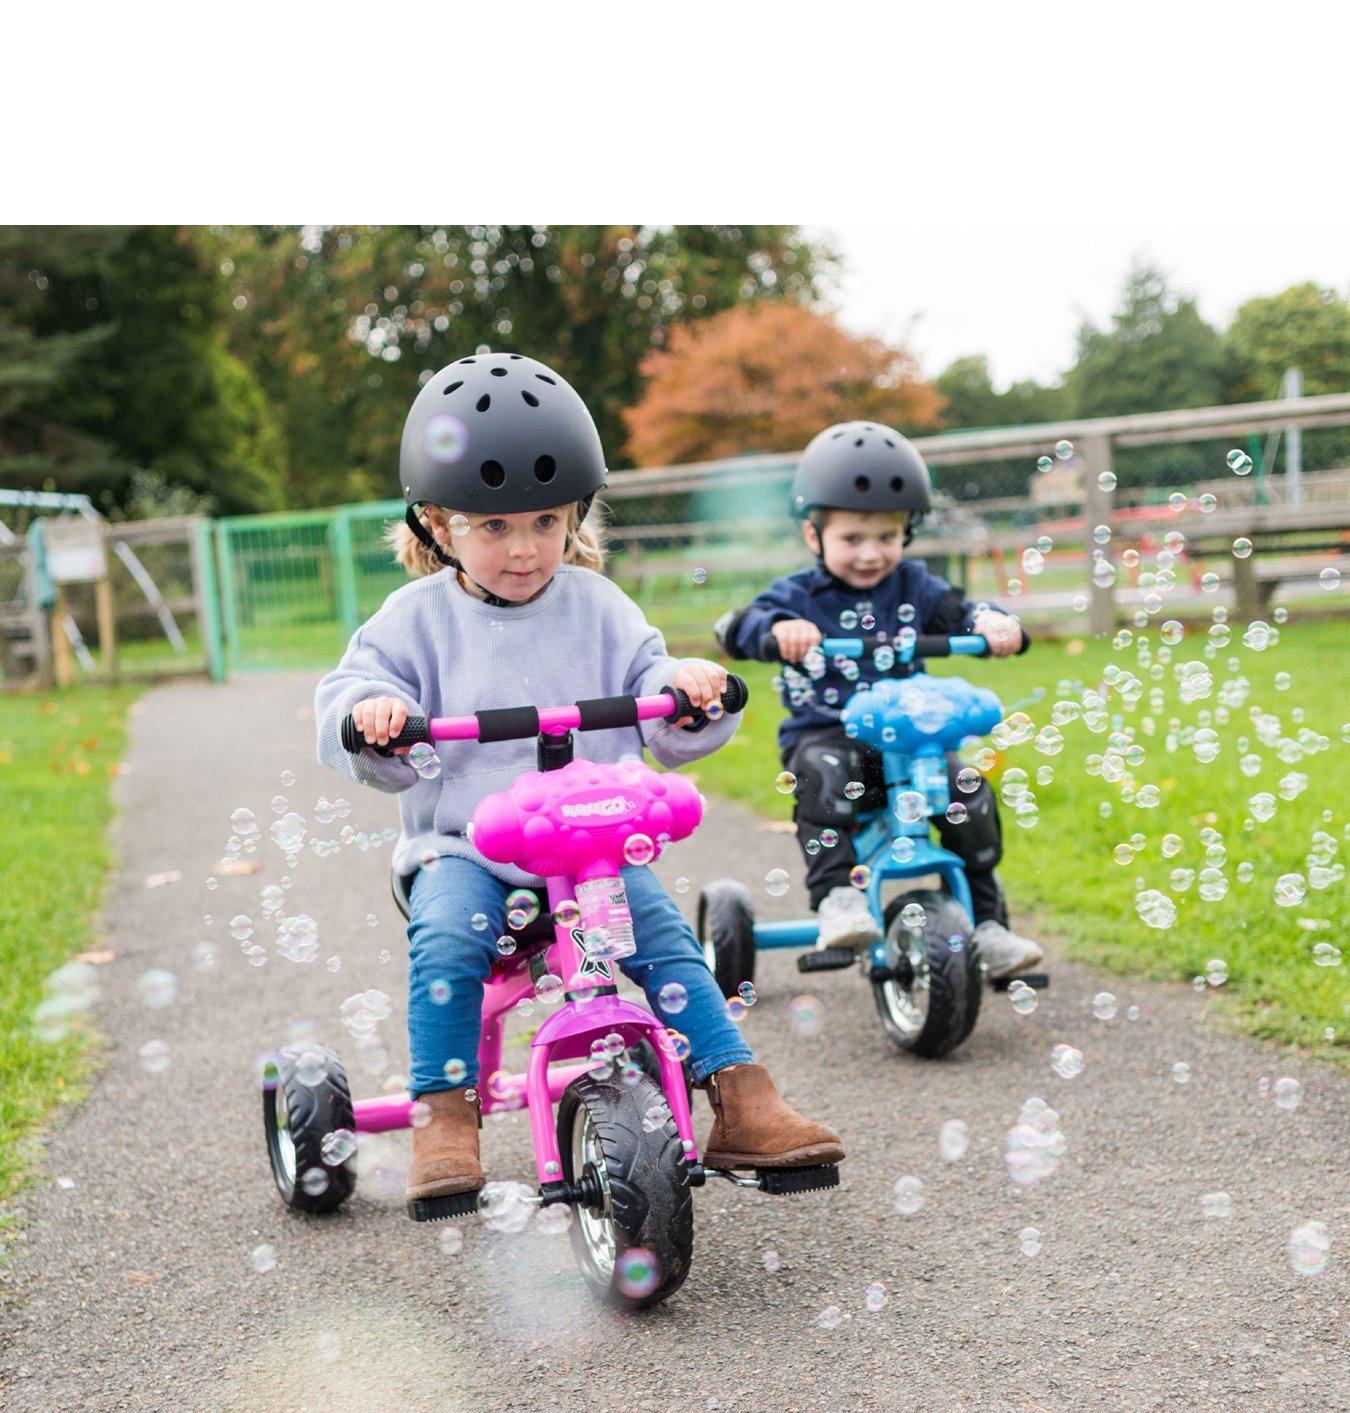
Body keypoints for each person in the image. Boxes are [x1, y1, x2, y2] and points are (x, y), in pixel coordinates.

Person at [314, 352, 843, 1215]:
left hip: (594, 848)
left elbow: (655, 692)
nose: (524, 549)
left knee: (667, 941)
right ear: (438, 525)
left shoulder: (598, 607)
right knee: (447, 945)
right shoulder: (413, 621)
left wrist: (688, 686)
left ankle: (742, 1097)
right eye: (493, 527)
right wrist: (373, 711)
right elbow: (349, 695)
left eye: (545, 522)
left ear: (576, 516)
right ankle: (444, 1114)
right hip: (468, 854)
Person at [716, 421, 1045, 978]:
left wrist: (992, 623)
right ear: (813, 535)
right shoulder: (798, 596)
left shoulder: (916, 588)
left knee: (972, 794)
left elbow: (964, 614)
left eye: (887, 537)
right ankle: (838, 897)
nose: (871, 554)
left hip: (911, 739)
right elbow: (738, 626)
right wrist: (781, 631)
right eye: (852, 539)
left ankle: (987, 923)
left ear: (907, 535)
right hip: (829, 735)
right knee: (820, 772)